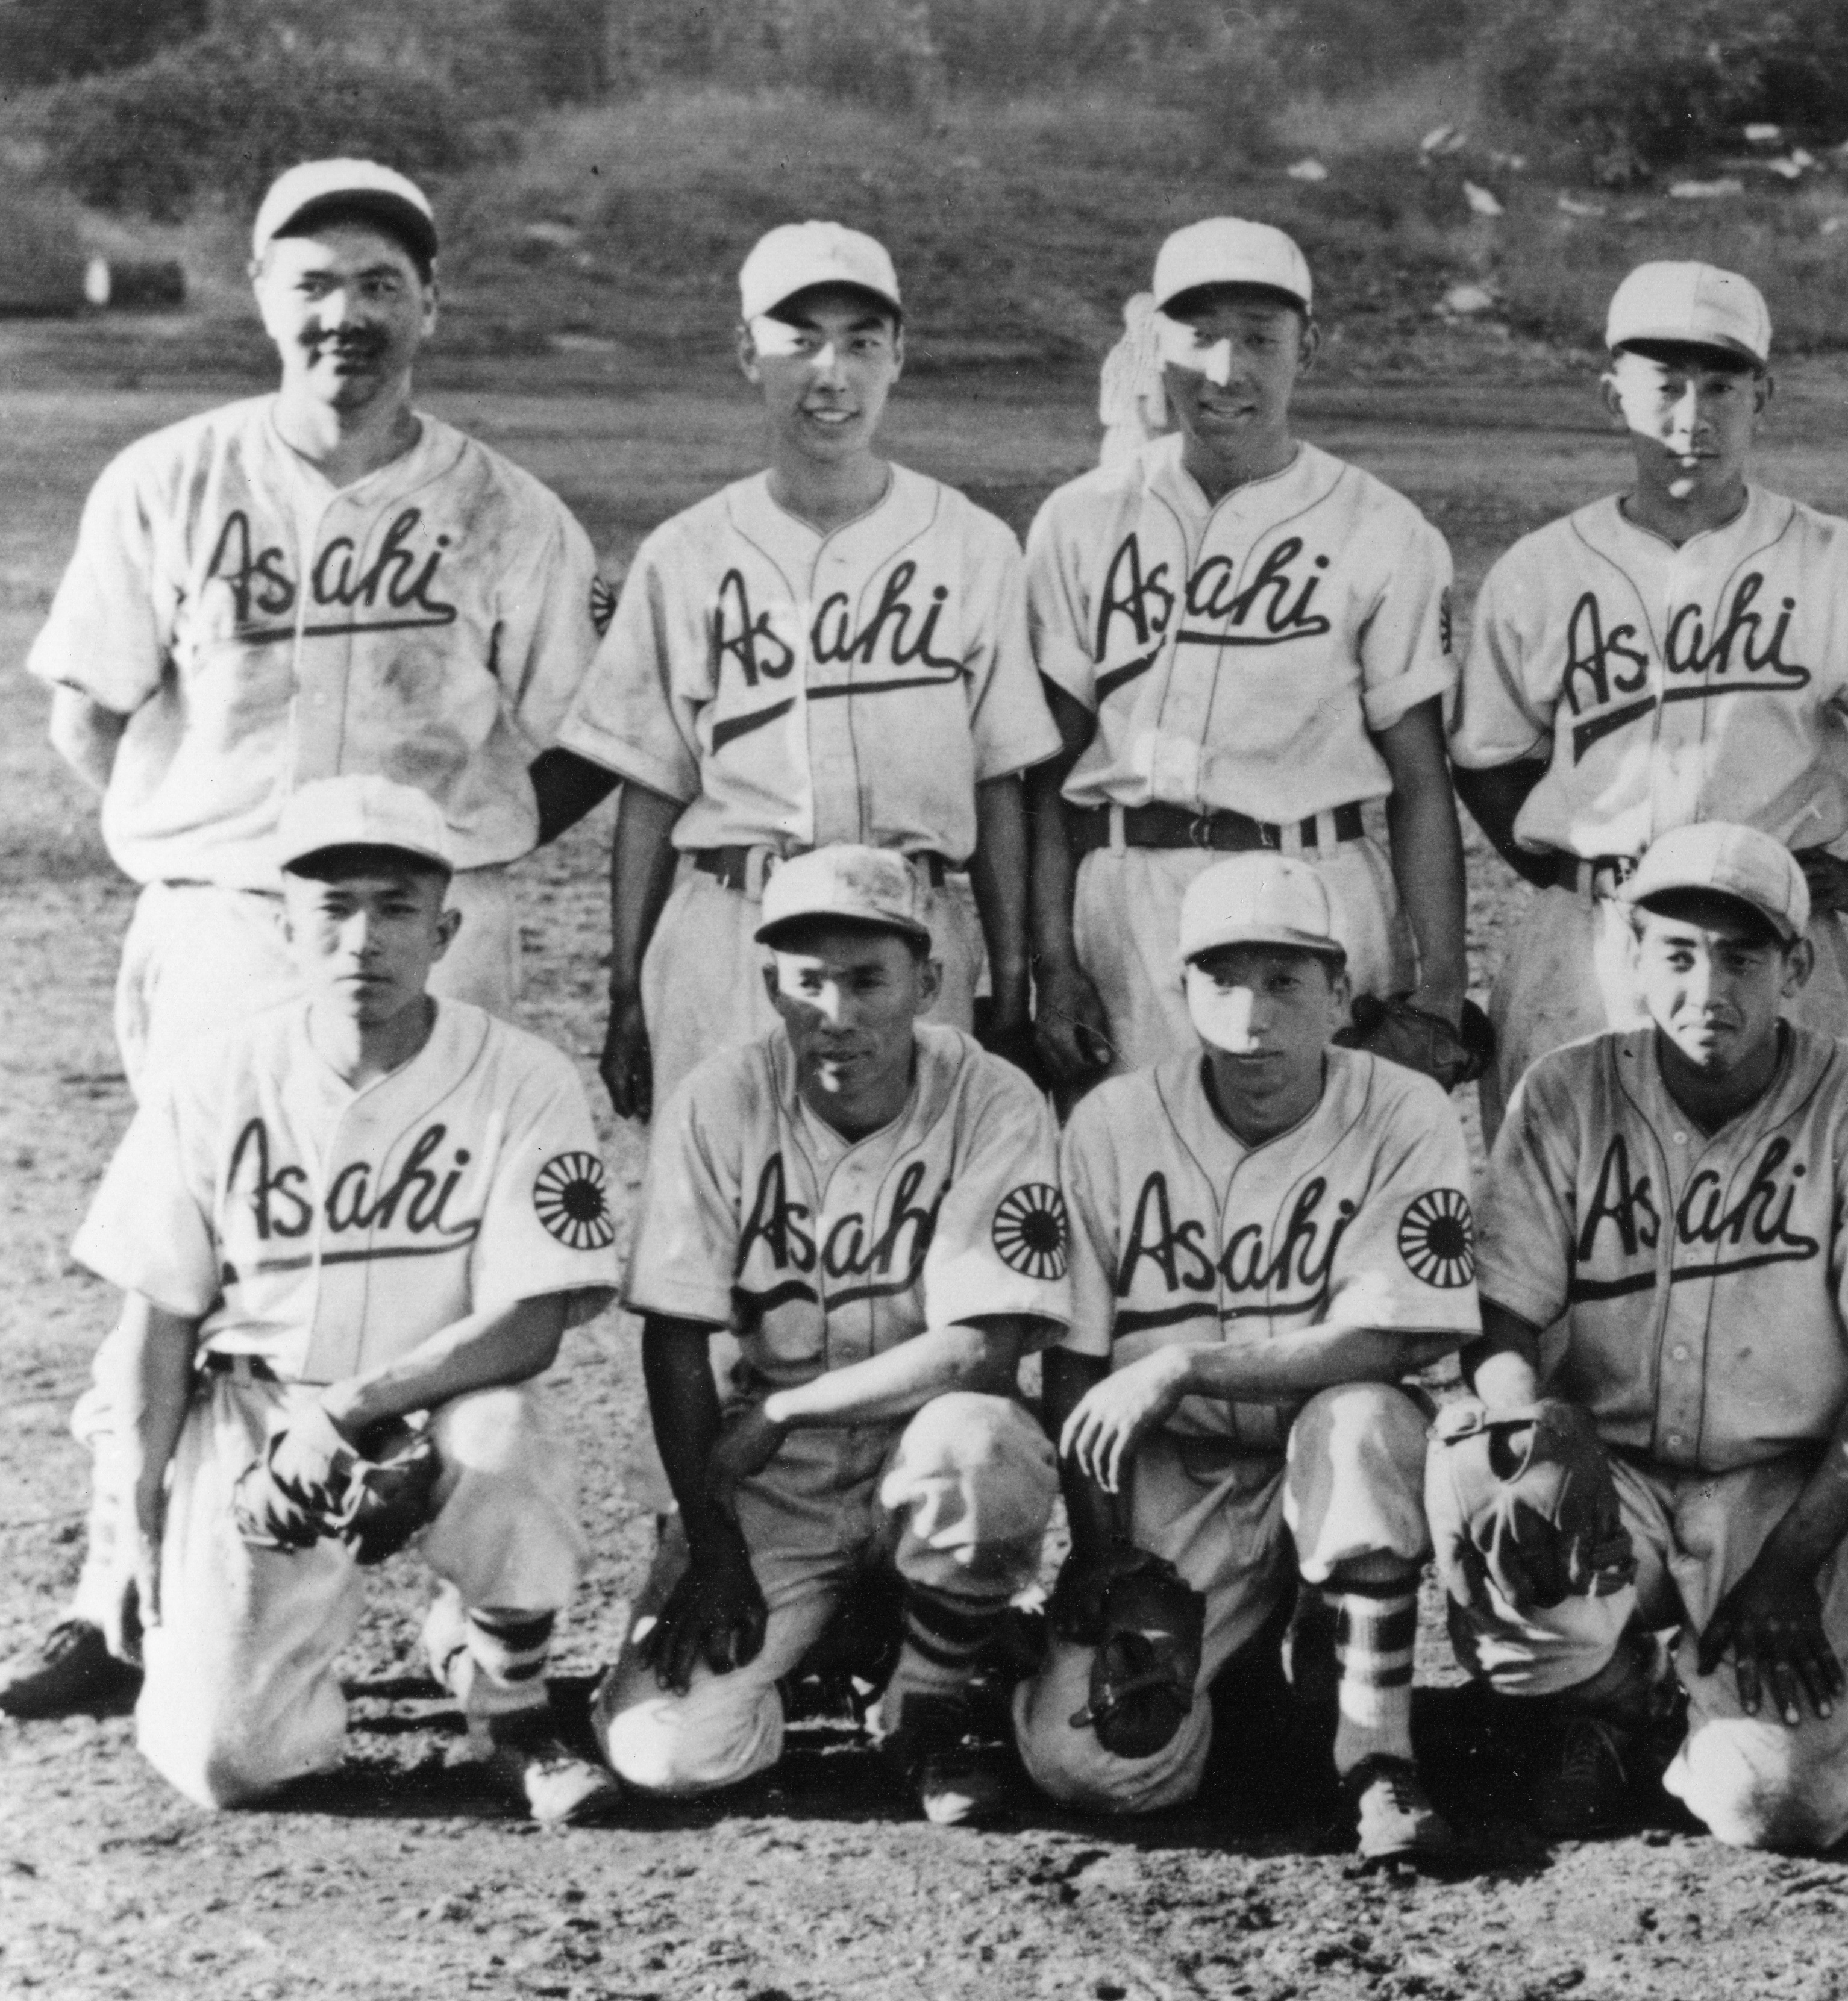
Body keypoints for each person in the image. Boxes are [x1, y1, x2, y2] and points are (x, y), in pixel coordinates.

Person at [5, 158, 618, 1721]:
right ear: (264, 299)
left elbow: (584, 735)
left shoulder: (507, 510)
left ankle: (478, 1612)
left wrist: (453, 866)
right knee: (183, 1268)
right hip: (222, 924)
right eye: (312, 283)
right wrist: (213, 852)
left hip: (435, 931)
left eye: (378, 284)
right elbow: (87, 707)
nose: (344, 314)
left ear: (429, 304)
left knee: (433, 1269)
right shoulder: (171, 480)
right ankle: (121, 1591)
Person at [28, 775, 622, 1820]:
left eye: (395, 908)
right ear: (286, 930)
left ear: (444, 929)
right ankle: (276, 1642)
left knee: (507, 1435)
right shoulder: (215, 1079)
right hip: (255, 1417)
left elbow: (533, 1319)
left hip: (438, 1403)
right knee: (230, 1762)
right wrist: (140, 1513)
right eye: (332, 908)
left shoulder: (523, 1077)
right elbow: (158, 1319)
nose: (363, 939)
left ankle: (512, 1699)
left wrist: (347, 1409)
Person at [1438, 822, 1848, 1850]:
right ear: (1632, 959)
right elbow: (1503, 1314)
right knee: (1486, 1488)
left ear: (1796, 966)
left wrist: (1792, 1560)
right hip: (1612, 1479)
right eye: (1677, 954)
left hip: (1782, 1489)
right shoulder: (1564, 1090)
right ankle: (1617, 1692)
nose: (1707, 988)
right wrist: (1530, 1430)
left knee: (1782, 1808)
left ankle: (1710, 1697)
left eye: (1742, 956)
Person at [587, 845, 1070, 1823]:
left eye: (867, 979)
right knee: (666, 1755)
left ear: (927, 982)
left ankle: (927, 1695)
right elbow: (674, 1338)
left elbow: (984, 1344)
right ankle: (849, 1633)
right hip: (779, 1485)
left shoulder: (995, 1099)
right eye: (807, 981)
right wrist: (712, 1545)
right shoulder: (718, 1098)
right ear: (770, 984)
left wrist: (790, 1405)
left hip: (919, 1449)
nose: (836, 1012)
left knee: (985, 1445)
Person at [1016, 854, 1477, 1864]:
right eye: (1222, 980)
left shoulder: (1404, 1110)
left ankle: (1377, 1760)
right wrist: (1098, 1551)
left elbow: (1395, 1335)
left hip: (1336, 1458)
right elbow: (1074, 1357)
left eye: (1284, 981)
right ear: (1182, 993)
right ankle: (1231, 1679)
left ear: (1338, 993)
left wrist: (1188, 1366)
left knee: (1357, 1415)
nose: (1253, 1016)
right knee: (1093, 1767)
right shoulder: (1110, 1121)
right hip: (1177, 1481)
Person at [559, 221, 1060, 1123]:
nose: (831, 372)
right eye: (798, 340)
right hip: (730, 926)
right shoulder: (687, 551)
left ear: (898, 355)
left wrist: (1013, 979)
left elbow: (998, 780)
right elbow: (649, 790)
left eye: (861, 341)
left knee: (903, 1221)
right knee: (720, 1216)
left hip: (909, 923)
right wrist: (627, 991)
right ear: (748, 353)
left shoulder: (974, 546)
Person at [1453, 263, 1848, 1133]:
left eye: (1720, 385)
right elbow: (1486, 760)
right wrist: (1571, 875)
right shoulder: (1540, 570)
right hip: (1589, 945)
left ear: (1764, 395)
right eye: (1664, 385)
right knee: (1569, 1206)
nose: (1692, 416)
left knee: (1790, 1202)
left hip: (1770, 930)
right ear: (1613, 396)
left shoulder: (1843, 565)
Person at [1022, 217, 1468, 1092]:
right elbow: (1047, 772)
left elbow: (1420, 777)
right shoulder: (1080, 519)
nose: (1227, 371)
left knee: (1322, 1198)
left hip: (1315, 887)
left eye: (1261, 338)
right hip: (1128, 900)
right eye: (1199, 337)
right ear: (1155, 344)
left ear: (1310, 347)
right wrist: (1051, 963)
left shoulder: (1381, 528)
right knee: (1138, 1193)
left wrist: (1443, 990)